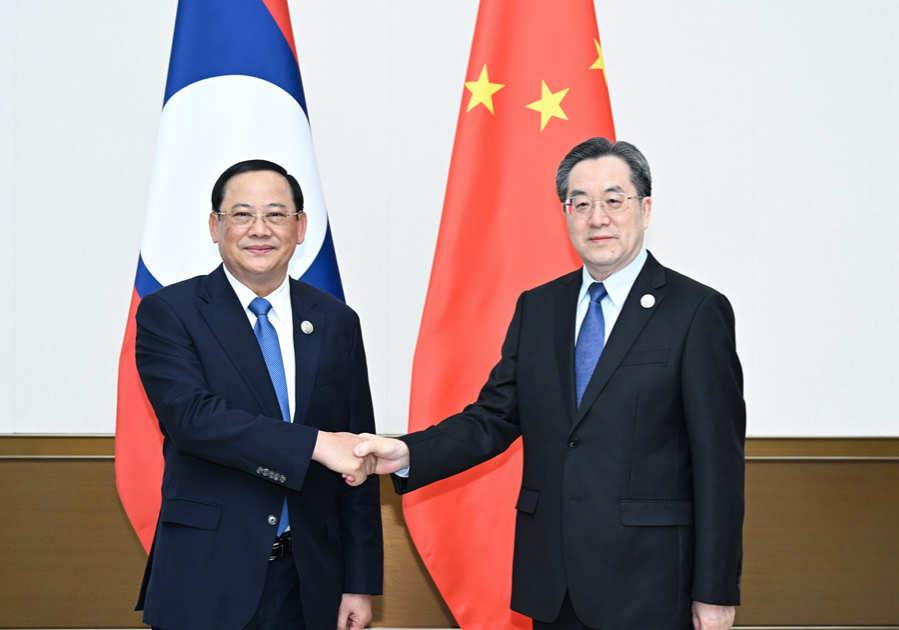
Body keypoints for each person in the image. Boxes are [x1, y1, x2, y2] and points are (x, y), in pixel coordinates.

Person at [356, 139, 745, 630]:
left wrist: (714, 591)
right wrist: (407, 452)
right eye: (580, 203)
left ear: (645, 209)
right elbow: (493, 418)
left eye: (613, 200)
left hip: (652, 584)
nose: (597, 217)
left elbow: (719, 466)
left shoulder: (696, 311)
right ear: (565, 214)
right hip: (555, 583)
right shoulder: (539, 308)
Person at [134, 159, 382, 630]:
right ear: (215, 226)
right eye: (242, 214)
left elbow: (357, 455)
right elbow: (194, 420)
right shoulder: (170, 312)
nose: (260, 230)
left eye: (276, 214)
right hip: (207, 575)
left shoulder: (336, 321)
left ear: (300, 227)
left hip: (311, 579)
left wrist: (360, 581)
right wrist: (315, 444)